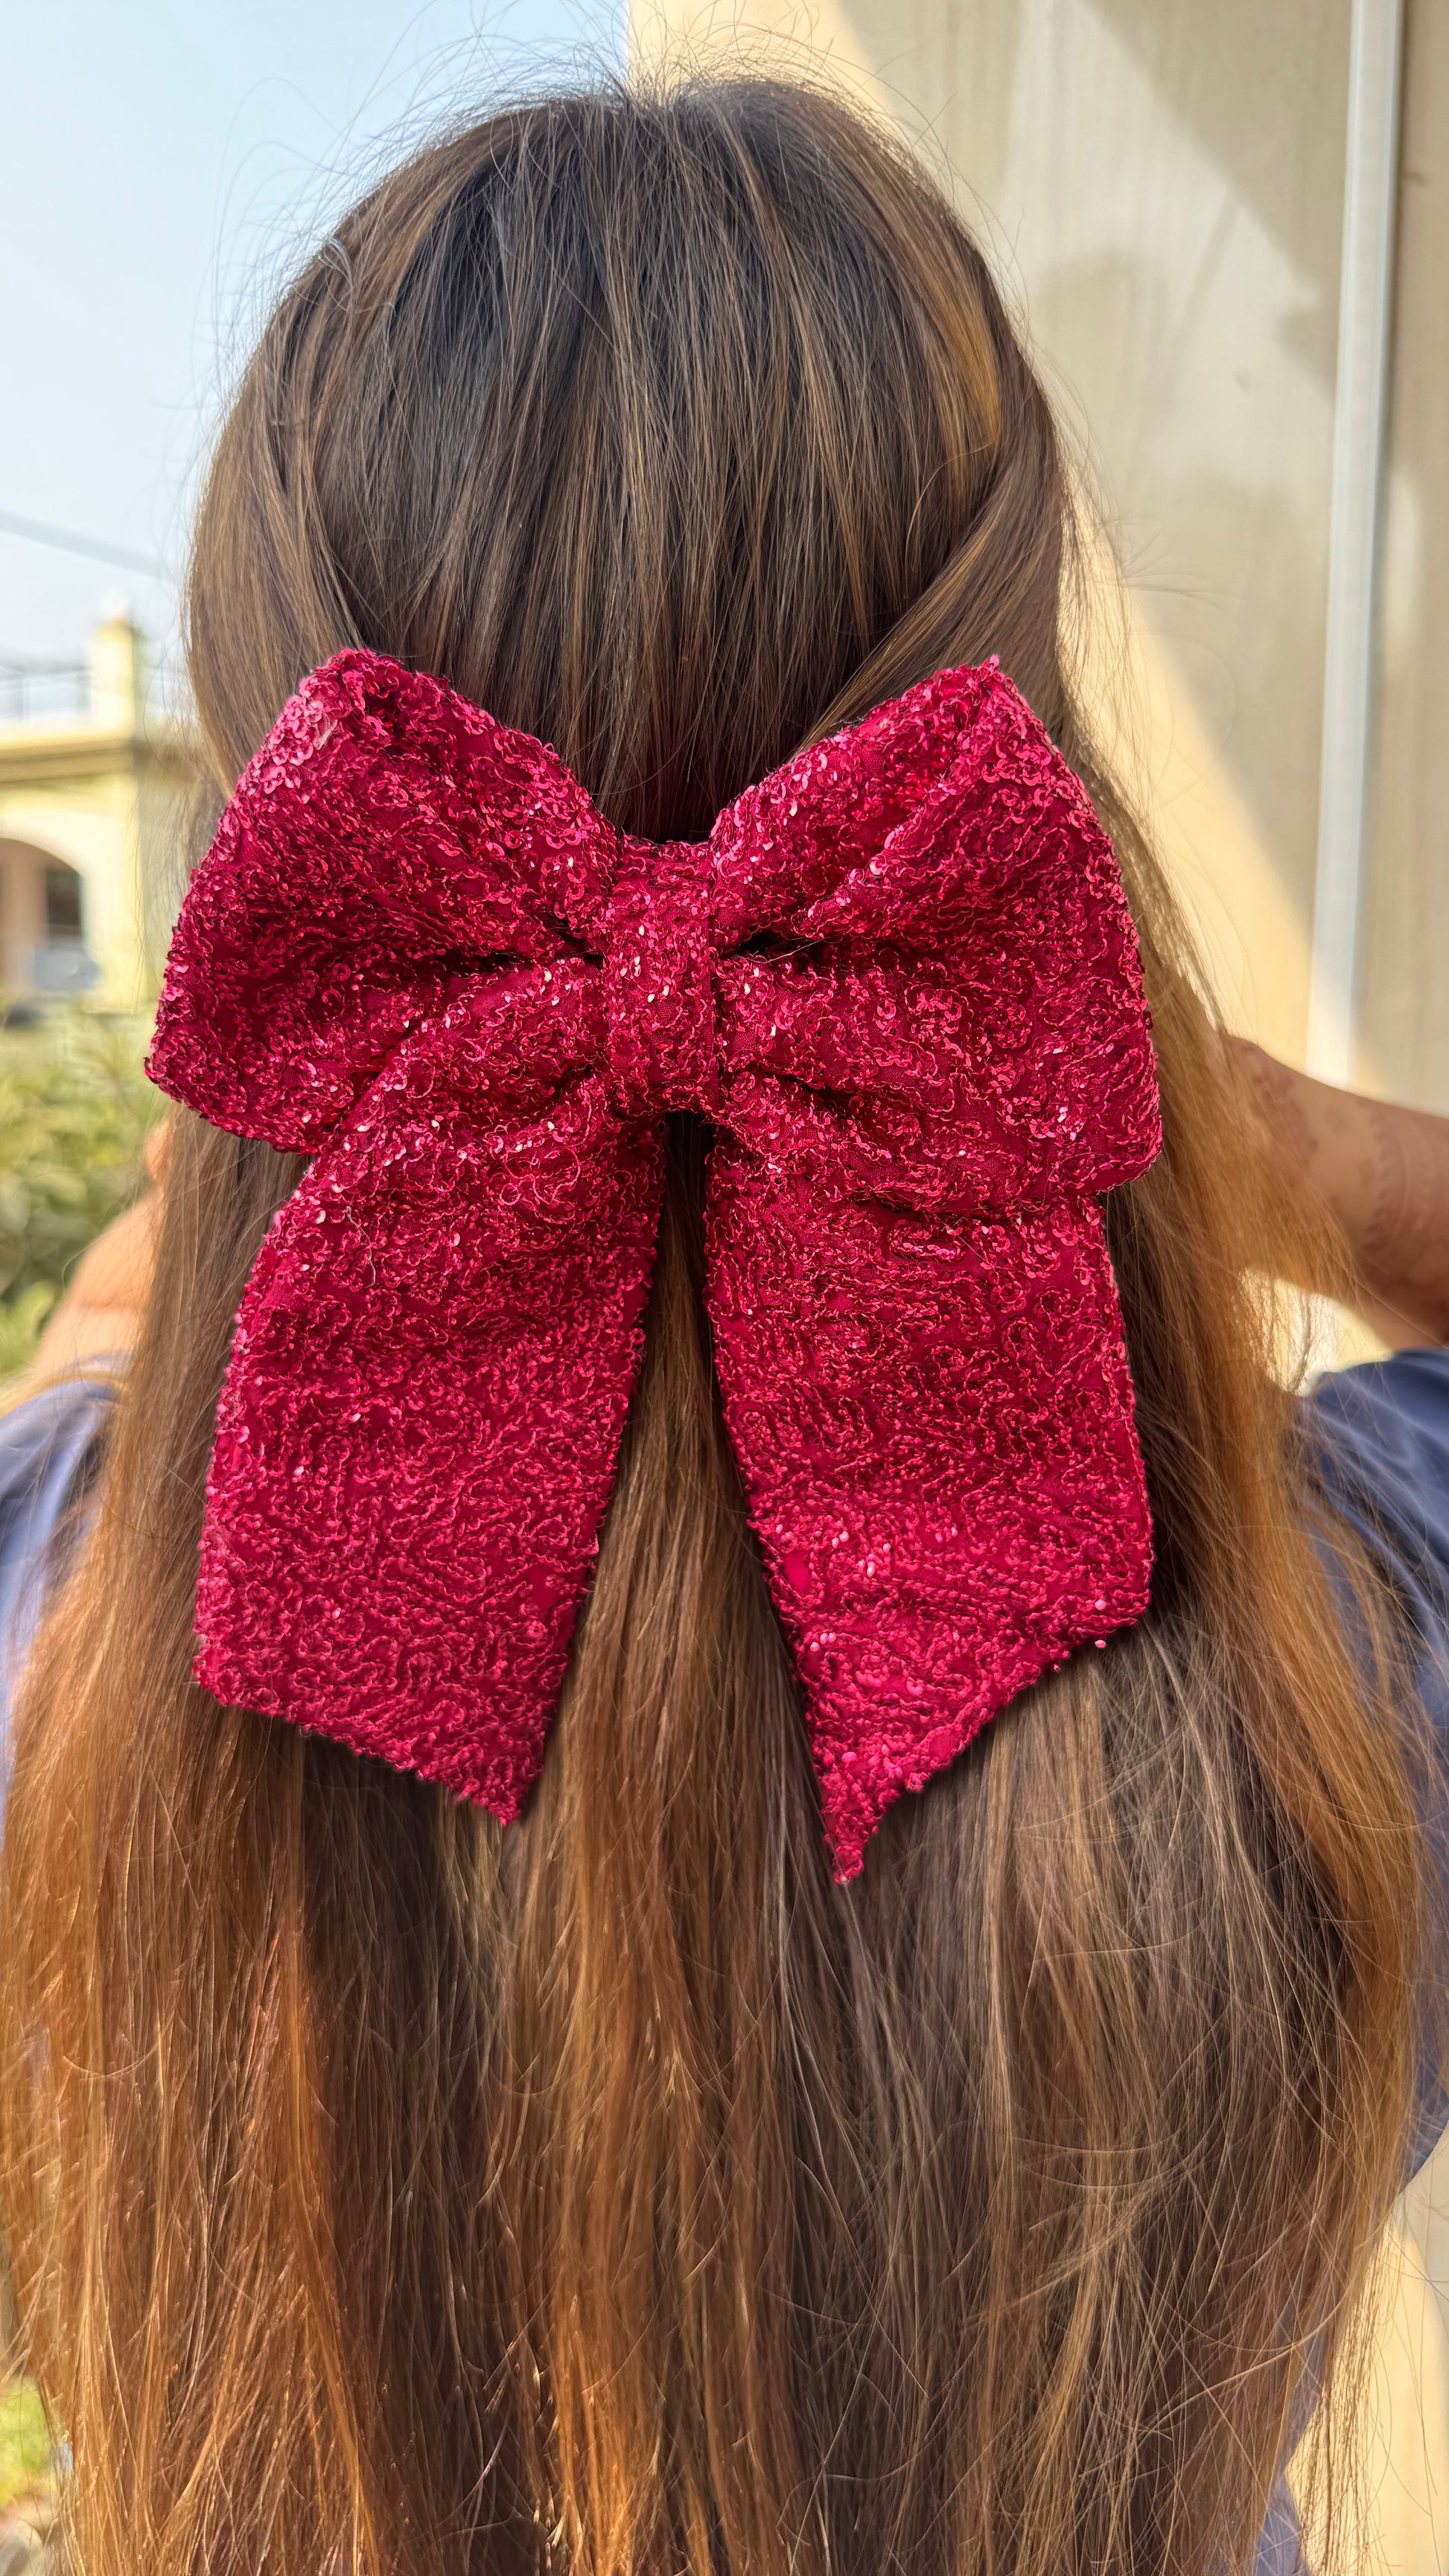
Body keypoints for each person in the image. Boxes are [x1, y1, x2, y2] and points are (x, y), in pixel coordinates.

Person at [1, 75, 1447, 2576]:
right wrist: (1252, 1141)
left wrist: (211, 1244)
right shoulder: (1334, 1657)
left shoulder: (55, 1649)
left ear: (295, 837)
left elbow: (94, 1394)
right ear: (1021, 812)